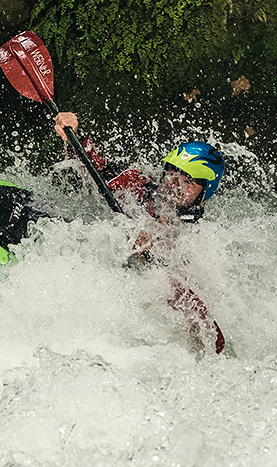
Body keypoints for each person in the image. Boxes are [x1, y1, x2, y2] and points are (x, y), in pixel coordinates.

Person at [52, 111, 228, 356]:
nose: (174, 184)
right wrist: (74, 136)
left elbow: (172, 290)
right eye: (172, 173)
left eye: (188, 181)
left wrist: (148, 256)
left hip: (128, 302)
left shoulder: (195, 240)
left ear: (203, 192)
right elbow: (96, 171)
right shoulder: (137, 183)